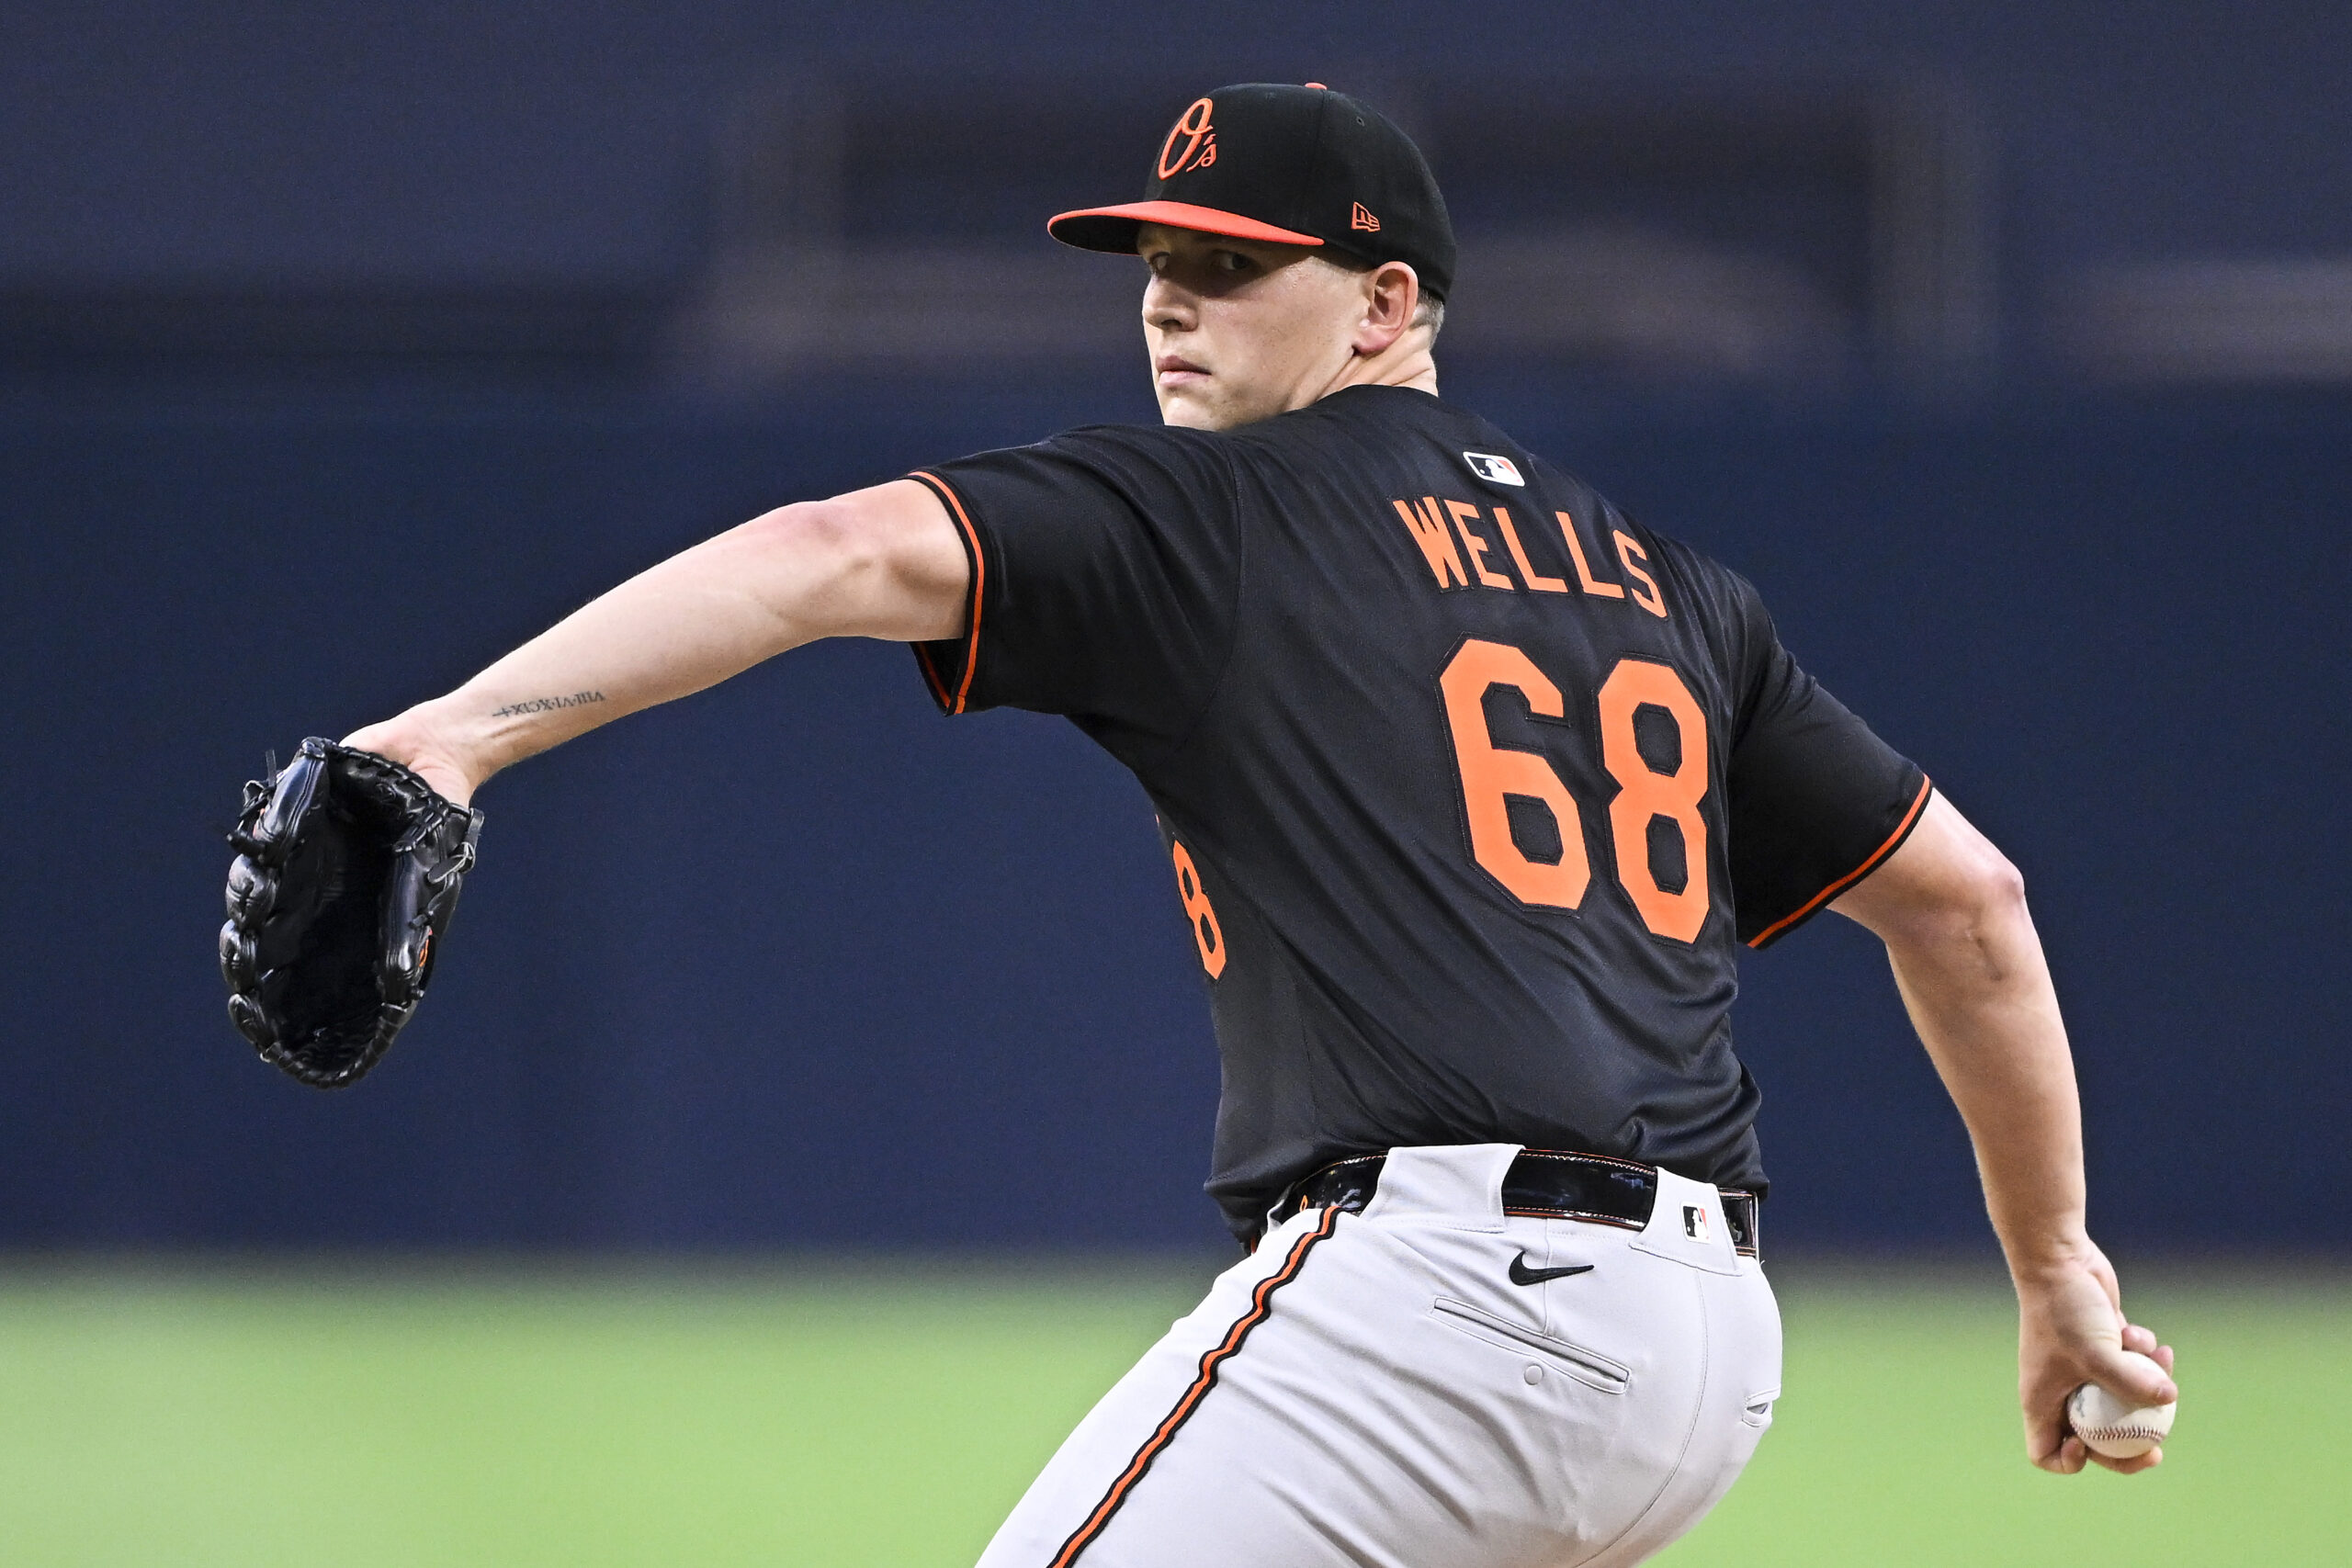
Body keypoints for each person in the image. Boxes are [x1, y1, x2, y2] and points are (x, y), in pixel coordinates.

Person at [345, 84, 2176, 1567]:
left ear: (1383, 305)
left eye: (1225, 265)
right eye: (1150, 258)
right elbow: (1970, 904)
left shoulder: (1217, 514)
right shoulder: (1662, 584)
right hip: (1700, 1356)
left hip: (1445, 1298)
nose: (1162, 297)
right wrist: (2051, 1272)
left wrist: (451, 737)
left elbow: (830, 553)